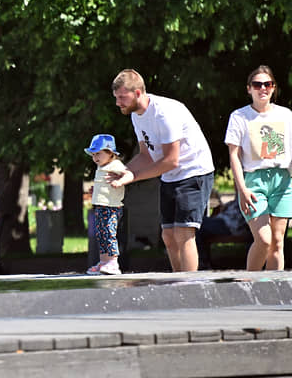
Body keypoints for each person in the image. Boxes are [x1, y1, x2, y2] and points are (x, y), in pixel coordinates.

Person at [109, 69, 214, 272]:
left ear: (138, 93)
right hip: (171, 176)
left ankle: (189, 287)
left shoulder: (164, 113)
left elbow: (170, 161)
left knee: (184, 233)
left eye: (122, 97)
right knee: (168, 235)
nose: (118, 103)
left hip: (193, 171)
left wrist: (132, 177)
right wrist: (123, 170)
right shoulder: (136, 116)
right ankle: (178, 281)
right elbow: (146, 156)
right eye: (116, 98)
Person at [224, 65, 292, 270]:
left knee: (277, 243)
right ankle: (250, 286)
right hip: (254, 181)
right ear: (249, 89)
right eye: (257, 84)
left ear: (273, 88)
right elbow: (234, 156)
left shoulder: (286, 114)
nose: (263, 88)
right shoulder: (239, 116)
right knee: (264, 239)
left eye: (268, 84)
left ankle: (274, 294)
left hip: (282, 179)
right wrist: (242, 189)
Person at [84, 134, 128, 275]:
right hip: (100, 206)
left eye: (98, 153)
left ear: (110, 153)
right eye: (93, 154)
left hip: (111, 207)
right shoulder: (101, 167)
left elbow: (128, 174)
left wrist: (120, 182)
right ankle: (104, 262)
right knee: (101, 235)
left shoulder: (115, 165)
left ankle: (113, 263)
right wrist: (95, 190)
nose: (95, 157)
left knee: (109, 233)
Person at [195, 193, 251, 269]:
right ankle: (202, 262)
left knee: (197, 227)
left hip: (231, 224)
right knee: (197, 224)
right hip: (225, 220)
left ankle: (203, 264)